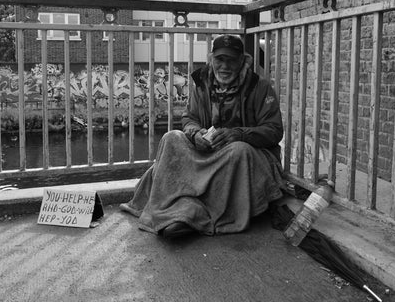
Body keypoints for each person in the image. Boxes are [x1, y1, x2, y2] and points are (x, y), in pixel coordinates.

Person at [120, 34, 285, 238]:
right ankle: (174, 209)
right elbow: (190, 118)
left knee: (238, 151)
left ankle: (202, 216)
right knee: (171, 137)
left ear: (242, 61)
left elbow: (274, 130)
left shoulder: (260, 87)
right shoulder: (202, 84)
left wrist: (239, 134)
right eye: (220, 59)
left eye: (231, 60)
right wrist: (195, 133)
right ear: (211, 59)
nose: (225, 66)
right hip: (210, 151)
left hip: (247, 154)